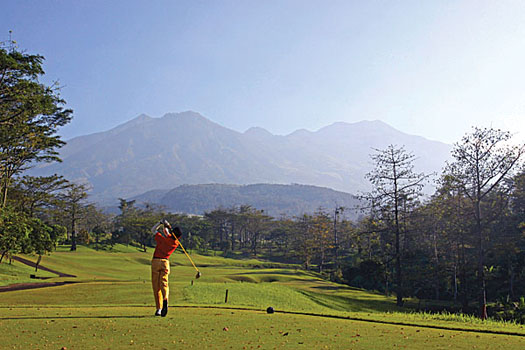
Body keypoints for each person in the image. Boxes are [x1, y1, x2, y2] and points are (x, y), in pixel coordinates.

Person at [150, 219, 182, 317]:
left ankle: (159, 309)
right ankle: (165, 299)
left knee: (156, 287)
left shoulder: (163, 239)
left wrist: (160, 223)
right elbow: (167, 233)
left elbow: (153, 230)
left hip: (156, 261)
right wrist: (167, 226)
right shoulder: (175, 243)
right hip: (165, 262)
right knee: (164, 284)